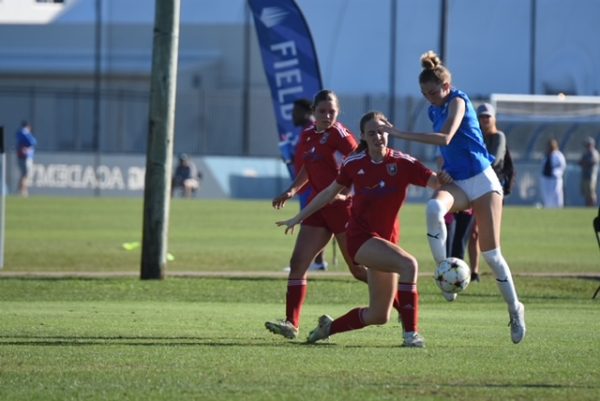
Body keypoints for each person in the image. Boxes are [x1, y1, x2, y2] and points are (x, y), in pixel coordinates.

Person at [381, 50, 526, 344]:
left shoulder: (458, 100)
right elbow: (445, 150)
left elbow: (446, 137)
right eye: (424, 94)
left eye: (433, 92)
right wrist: (442, 169)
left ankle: (515, 308)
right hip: (458, 182)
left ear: (446, 86)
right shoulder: (433, 109)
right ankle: (445, 275)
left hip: (483, 181)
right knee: (434, 209)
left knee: (491, 255)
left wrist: (397, 132)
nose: (429, 98)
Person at [276, 111, 451, 347]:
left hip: (386, 243)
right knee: (409, 265)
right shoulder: (354, 164)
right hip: (360, 239)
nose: (378, 136)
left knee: (379, 315)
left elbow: (434, 183)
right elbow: (328, 193)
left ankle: (327, 328)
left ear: (388, 131)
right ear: (363, 137)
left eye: (381, 131)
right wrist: (299, 217)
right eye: (372, 133)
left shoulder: (403, 163)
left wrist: (445, 180)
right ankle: (411, 335)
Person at [265, 89, 371, 340]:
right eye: (322, 111)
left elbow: (360, 165)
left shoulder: (341, 135)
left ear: (338, 112)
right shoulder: (309, 135)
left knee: (357, 270)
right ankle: (292, 323)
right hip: (317, 208)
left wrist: (348, 194)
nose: (326, 115)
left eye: (331, 111)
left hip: (342, 208)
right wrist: (291, 190)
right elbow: (307, 167)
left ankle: (399, 299)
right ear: (314, 112)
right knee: (298, 263)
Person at [291, 98, 327, 270]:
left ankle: (315, 262)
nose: (292, 116)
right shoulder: (305, 131)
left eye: (296, 112)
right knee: (312, 223)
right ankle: (317, 262)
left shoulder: (314, 131)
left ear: (307, 113)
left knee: (312, 225)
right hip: (304, 186)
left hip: (312, 186)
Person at [540, 138, 566, 208]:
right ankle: (548, 207)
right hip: (546, 178)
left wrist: (555, 172)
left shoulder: (559, 155)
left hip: (555, 178)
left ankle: (558, 207)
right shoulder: (546, 155)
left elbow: (562, 166)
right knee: (546, 194)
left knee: (556, 193)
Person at [15, 121, 37, 197]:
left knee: (24, 174)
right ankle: (23, 191)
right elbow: (33, 142)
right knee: (25, 174)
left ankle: (20, 190)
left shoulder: (21, 133)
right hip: (25, 157)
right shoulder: (24, 133)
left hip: (24, 157)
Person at [578, 136, 599, 207]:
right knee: (586, 193)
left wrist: (585, 162)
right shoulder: (585, 153)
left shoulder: (594, 153)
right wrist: (585, 162)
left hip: (591, 176)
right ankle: (588, 206)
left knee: (591, 193)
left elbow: (593, 161)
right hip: (585, 176)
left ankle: (592, 206)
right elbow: (580, 162)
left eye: (588, 145)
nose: (587, 146)